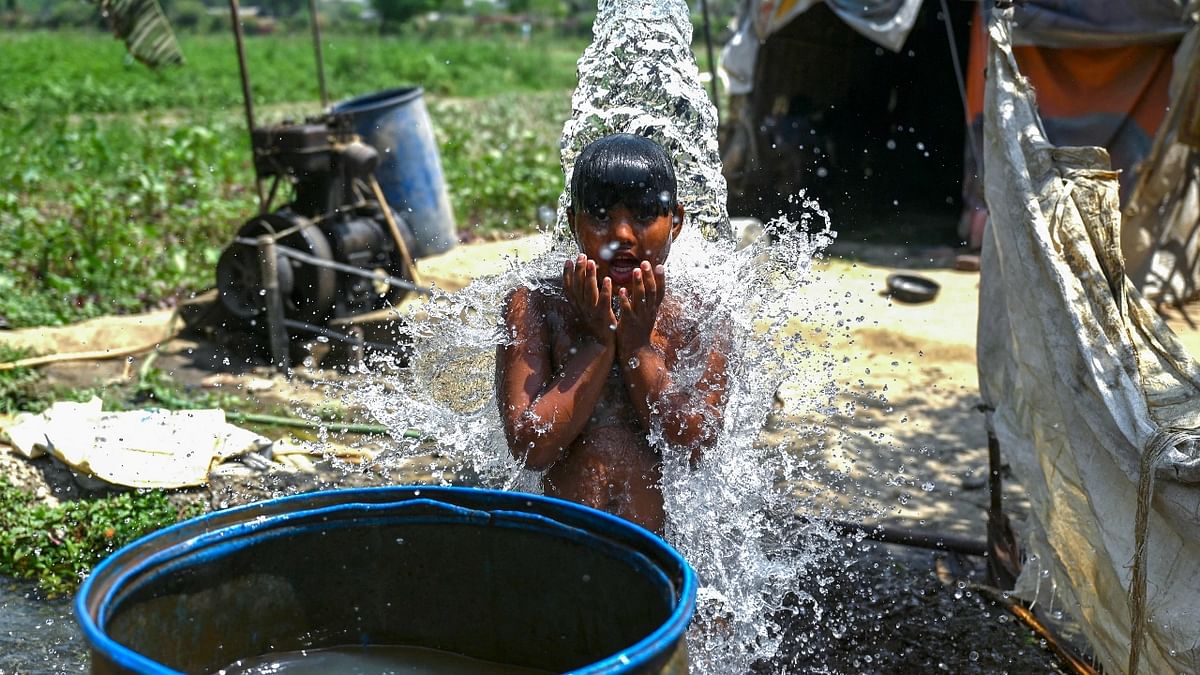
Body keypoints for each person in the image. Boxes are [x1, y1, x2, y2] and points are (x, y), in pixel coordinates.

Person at [496, 133, 729, 534]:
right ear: (573, 223)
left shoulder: (702, 313)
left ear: (675, 222)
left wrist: (638, 348)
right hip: (562, 544)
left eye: (642, 216)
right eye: (601, 216)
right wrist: (599, 344)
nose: (621, 234)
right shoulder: (536, 304)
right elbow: (530, 446)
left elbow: (693, 444)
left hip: (661, 559)